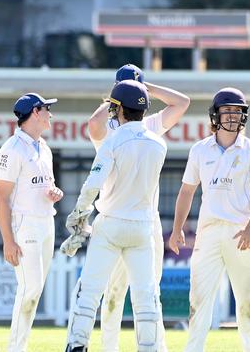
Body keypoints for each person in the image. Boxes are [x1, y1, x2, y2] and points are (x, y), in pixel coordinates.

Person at [85, 63, 190, 352]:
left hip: (146, 219)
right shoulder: (108, 126)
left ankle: (156, 347)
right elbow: (93, 126)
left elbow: (182, 103)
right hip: (114, 215)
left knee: (149, 292)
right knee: (114, 293)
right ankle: (110, 347)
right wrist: (116, 95)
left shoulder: (150, 124)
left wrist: (144, 89)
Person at [63, 80, 166, 352]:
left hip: (110, 224)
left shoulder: (112, 141)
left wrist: (79, 214)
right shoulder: (159, 145)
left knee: (91, 291)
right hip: (142, 226)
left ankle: (77, 344)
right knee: (146, 295)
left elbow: (92, 184)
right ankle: (148, 347)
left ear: (118, 109)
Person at [169, 87, 250, 352]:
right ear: (215, 115)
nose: (232, 116)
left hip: (242, 233)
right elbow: (187, 190)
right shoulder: (200, 150)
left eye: (237, 111)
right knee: (199, 299)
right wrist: (177, 228)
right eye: (227, 111)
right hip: (209, 233)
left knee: (248, 300)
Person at [0, 93, 64, 351]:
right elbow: (1, 198)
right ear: (35, 112)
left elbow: (47, 185)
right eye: (47, 109)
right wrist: (8, 241)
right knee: (30, 288)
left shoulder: (43, 147)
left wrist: (54, 192)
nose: (50, 114)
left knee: (34, 292)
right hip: (24, 224)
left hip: (46, 222)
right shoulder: (12, 149)